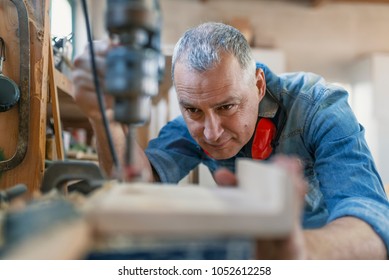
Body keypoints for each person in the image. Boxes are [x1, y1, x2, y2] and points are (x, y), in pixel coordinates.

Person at [72, 22, 389, 259]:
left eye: (227, 107)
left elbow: (372, 225)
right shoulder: (197, 120)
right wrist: (105, 118)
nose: (211, 132)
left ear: (259, 85)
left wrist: (300, 253)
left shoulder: (320, 108)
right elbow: (139, 180)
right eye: (193, 110)